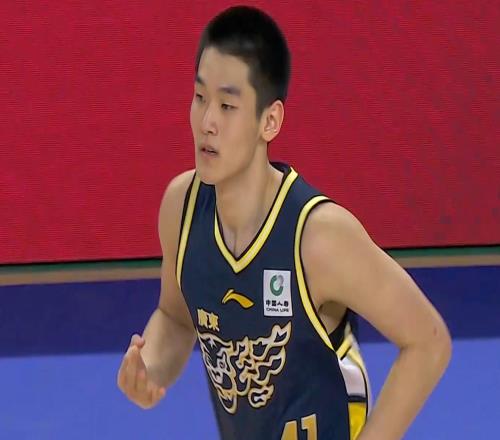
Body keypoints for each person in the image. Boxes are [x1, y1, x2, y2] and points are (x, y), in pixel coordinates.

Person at [117, 6, 451, 439]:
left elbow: (428, 342)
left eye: (227, 105)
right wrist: (150, 370)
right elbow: (177, 317)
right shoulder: (181, 207)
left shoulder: (318, 238)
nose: (207, 122)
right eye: (200, 98)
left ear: (269, 121)